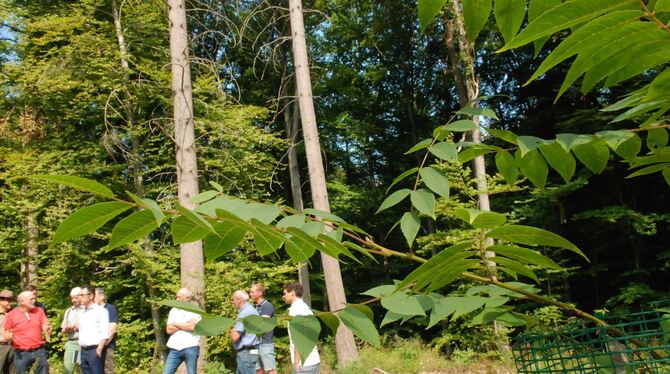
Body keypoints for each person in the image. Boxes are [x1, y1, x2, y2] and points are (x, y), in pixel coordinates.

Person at [3, 290, 51, 374]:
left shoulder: (39, 311)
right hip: (21, 353)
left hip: (39, 350)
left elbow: (47, 325)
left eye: (34, 299)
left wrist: (48, 329)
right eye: (31, 299)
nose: (34, 301)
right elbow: (6, 333)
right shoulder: (11, 314)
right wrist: (8, 336)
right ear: (22, 301)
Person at [282, 282, 320, 374]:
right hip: (310, 362)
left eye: (285, 293)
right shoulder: (302, 307)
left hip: (304, 364)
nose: (283, 296)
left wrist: (296, 362)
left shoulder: (297, 310)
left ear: (292, 293)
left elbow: (300, 339)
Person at [163, 288, 201, 374]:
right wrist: (185, 324)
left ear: (187, 298)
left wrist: (176, 323)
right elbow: (168, 330)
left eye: (179, 297)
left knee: (192, 372)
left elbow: (193, 327)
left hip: (191, 347)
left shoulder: (195, 311)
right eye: (176, 297)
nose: (177, 299)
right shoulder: (174, 310)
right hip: (174, 348)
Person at [78, 286, 109, 374]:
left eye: (82, 295)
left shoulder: (101, 311)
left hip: (94, 350)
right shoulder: (83, 312)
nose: (80, 297)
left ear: (91, 296)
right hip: (83, 350)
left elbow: (104, 331)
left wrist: (100, 348)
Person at [231, 290, 259, 374]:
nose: (232, 302)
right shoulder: (251, 310)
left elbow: (234, 337)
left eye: (233, 299)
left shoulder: (244, 313)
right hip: (250, 352)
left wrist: (232, 329)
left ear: (239, 300)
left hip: (246, 353)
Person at [249, 283, 276, 374]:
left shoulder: (267, 306)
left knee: (270, 369)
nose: (250, 294)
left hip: (265, 343)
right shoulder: (255, 307)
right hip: (254, 343)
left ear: (260, 293)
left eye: (252, 292)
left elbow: (262, 325)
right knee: (258, 369)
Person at [94, 288, 117, 373]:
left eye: (94, 296)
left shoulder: (110, 308)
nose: (93, 298)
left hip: (107, 347)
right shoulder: (92, 310)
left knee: (108, 370)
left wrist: (103, 344)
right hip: (94, 346)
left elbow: (113, 328)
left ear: (102, 296)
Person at [61, 287, 83, 374]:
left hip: (85, 344)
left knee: (84, 369)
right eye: (72, 298)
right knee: (68, 369)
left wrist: (80, 327)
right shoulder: (69, 311)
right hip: (73, 345)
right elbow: (63, 330)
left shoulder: (87, 309)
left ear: (81, 297)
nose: (74, 300)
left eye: (76, 298)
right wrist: (67, 329)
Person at [0, 290, 15, 374]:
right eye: (8, 300)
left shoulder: (11, 314)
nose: (11, 302)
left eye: (12, 300)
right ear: (0, 300)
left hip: (12, 347)